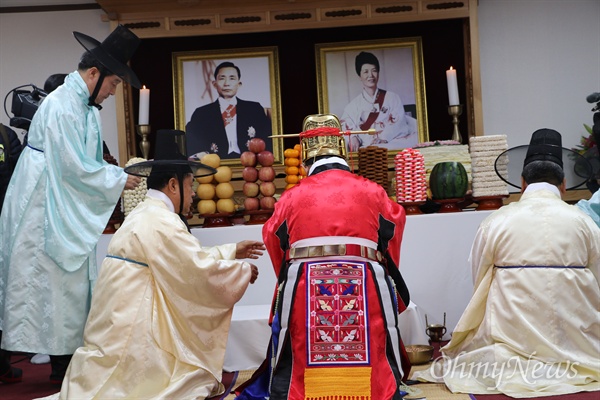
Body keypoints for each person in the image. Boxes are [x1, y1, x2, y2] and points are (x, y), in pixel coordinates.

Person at [46, 129, 264, 399]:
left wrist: (231, 251)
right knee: (182, 380)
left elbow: (183, 259)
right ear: (173, 185)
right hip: (133, 326)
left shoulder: (146, 213)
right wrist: (241, 271)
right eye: (189, 185)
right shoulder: (162, 221)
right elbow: (195, 270)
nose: (193, 193)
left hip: (118, 320)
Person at [0, 25, 142, 384]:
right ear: (94, 73)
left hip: (57, 191)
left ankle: (62, 361)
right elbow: (72, 165)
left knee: (60, 283)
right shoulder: (63, 105)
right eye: (112, 84)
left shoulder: (84, 105)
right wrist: (116, 178)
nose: (111, 92)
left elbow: (82, 163)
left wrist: (110, 173)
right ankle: (52, 364)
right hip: (42, 199)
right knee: (37, 279)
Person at [237, 114, 412, 400]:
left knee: (303, 341)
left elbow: (273, 237)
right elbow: (393, 227)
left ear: (306, 162)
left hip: (306, 283)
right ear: (344, 154)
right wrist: (382, 268)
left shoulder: (292, 197)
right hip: (364, 280)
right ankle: (371, 390)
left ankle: (308, 391)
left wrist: (292, 272)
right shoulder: (373, 191)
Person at [414, 129, 600, 397]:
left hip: (511, 338)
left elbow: (479, 275)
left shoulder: (498, 220)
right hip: (575, 340)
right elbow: (596, 277)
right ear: (563, 185)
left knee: (490, 360)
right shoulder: (583, 223)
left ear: (523, 183)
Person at [185, 61, 272, 159]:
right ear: (214, 84)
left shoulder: (254, 109)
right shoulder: (201, 113)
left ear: (239, 84)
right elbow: (192, 141)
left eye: (232, 78)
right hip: (217, 164)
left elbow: (268, 138)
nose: (227, 83)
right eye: (222, 78)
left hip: (249, 162)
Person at [340, 51, 418, 152]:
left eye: (374, 71)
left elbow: (399, 125)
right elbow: (345, 127)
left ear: (378, 73)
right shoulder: (352, 107)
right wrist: (353, 137)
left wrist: (380, 138)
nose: (371, 75)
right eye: (366, 72)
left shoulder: (393, 98)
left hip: (391, 143)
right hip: (368, 147)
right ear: (359, 76)